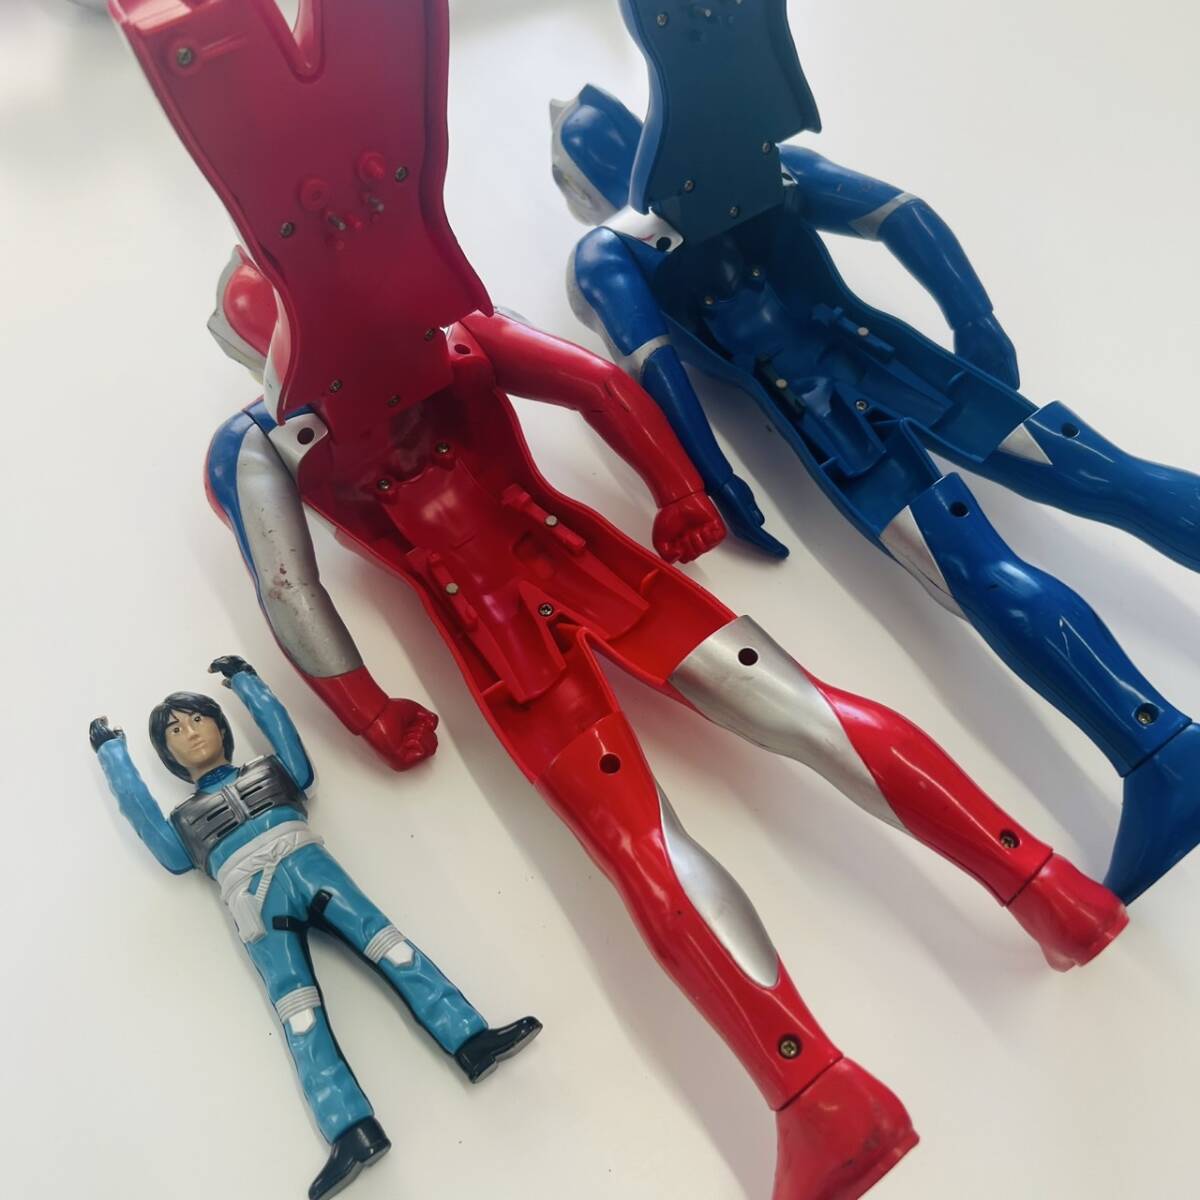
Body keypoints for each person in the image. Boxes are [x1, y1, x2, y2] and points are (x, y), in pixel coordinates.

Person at [90, 655, 541, 1200]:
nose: (190, 733)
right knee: (297, 1011)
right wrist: (113, 756)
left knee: (392, 948)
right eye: (175, 731)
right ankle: (350, 1131)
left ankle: (471, 1039)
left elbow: (291, 746)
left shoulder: (272, 772)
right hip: (255, 905)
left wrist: (247, 684)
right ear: (167, 755)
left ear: (220, 725)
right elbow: (160, 842)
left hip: (315, 871)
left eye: (197, 719)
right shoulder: (184, 823)